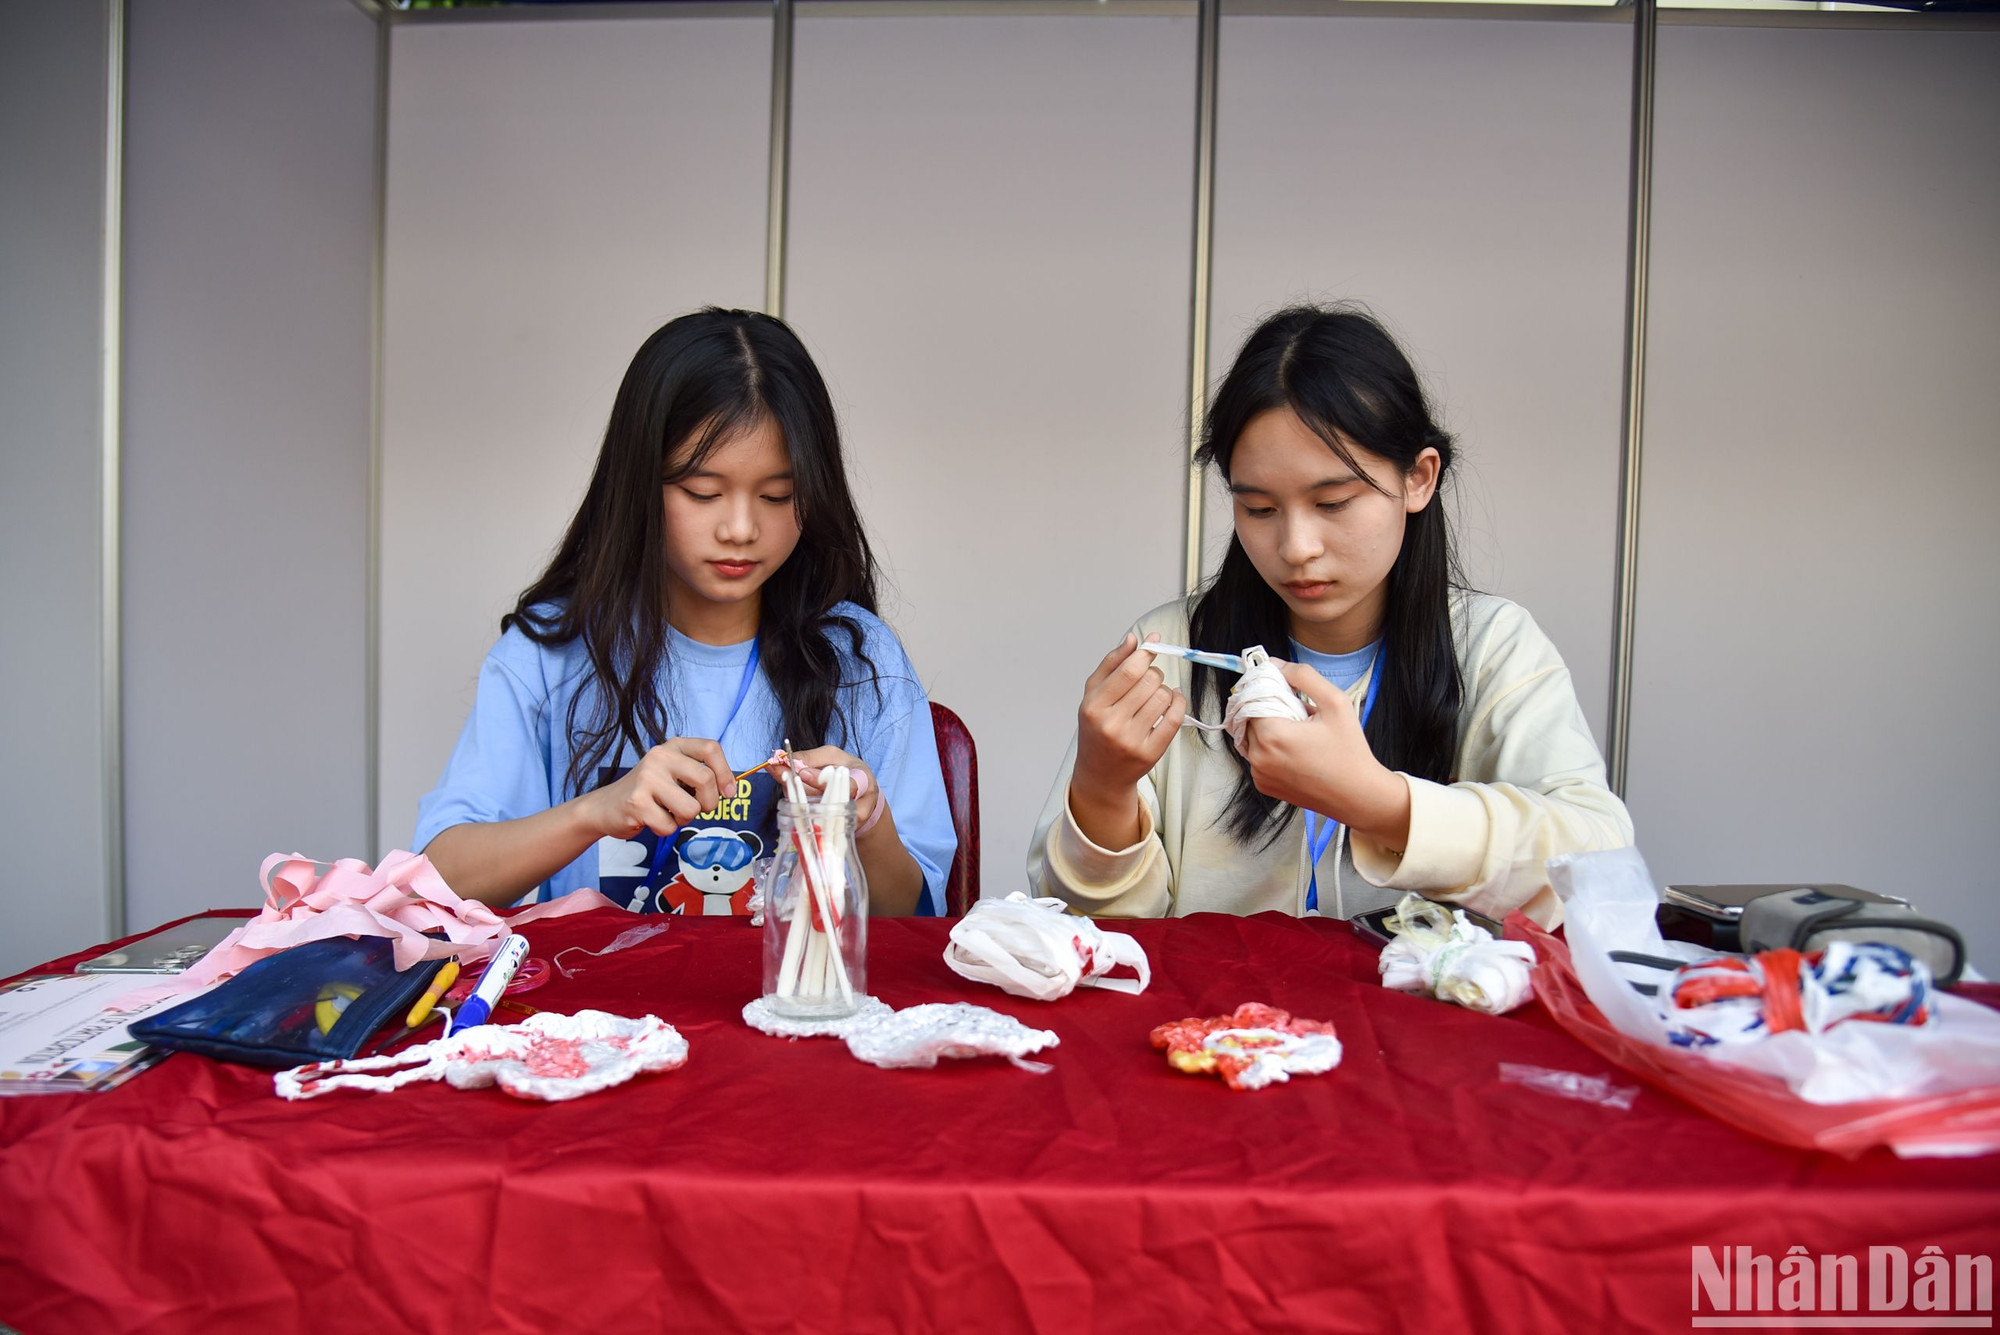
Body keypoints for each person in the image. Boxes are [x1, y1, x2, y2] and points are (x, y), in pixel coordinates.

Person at [1028, 304, 1632, 926]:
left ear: (1419, 480)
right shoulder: (1170, 650)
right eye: (1259, 509)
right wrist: (1102, 789)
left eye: (1334, 502)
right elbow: (1090, 936)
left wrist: (1378, 803)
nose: (1296, 548)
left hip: (1418, 1020)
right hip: (1217, 1023)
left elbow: (1600, 861)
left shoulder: (1493, 647)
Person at [416, 308, 955, 916]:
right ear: (640, 484)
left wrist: (866, 821)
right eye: (703, 492)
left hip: (792, 1010)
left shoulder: (860, 656)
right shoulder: (553, 652)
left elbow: (914, 915)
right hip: (603, 1011)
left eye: (779, 496)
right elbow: (438, 879)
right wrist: (596, 811)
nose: (741, 529)